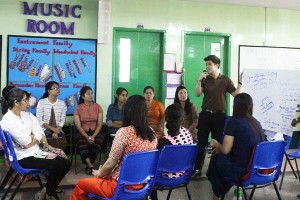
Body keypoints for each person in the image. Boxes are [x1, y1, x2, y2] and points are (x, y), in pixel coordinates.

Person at [70, 95, 157, 199]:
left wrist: (99, 173)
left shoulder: (124, 133)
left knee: (81, 184)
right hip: (143, 185)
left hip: (119, 187)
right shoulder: (152, 133)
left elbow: (110, 164)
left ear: (128, 111)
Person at [0, 88, 71, 200]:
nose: (29, 103)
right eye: (25, 100)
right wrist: (31, 139)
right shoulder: (7, 120)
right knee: (56, 166)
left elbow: (39, 132)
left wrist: (32, 139)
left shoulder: (27, 115)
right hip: (22, 157)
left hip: (36, 152)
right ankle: (48, 193)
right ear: (16, 103)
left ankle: (44, 191)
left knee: (66, 163)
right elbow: (24, 142)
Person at [206, 93, 264, 200]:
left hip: (241, 171)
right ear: (250, 106)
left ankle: (217, 195)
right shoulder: (257, 123)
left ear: (235, 106)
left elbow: (225, 150)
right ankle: (221, 191)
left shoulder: (234, 122)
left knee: (215, 158)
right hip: (255, 169)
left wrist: (215, 143)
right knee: (220, 159)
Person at [194, 55, 242, 176]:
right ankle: (197, 168)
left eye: (209, 64)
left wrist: (240, 82)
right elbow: (197, 94)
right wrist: (199, 80)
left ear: (217, 65)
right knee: (202, 142)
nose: (207, 66)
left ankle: (214, 168)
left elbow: (235, 93)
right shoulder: (205, 79)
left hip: (219, 116)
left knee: (216, 142)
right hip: (205, 114)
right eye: (206, 64)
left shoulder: (225, 80)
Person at [150, 103, 193, 200]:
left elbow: (155, 162)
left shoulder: (164, 142)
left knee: (148, 171)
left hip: (165, 179)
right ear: (182, 119)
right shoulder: (187, 133)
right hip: (184, 175)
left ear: (166, 120)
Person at [74, 86, 104, 175]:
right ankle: (90, 165)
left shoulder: (97, 106)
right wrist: (87, 137)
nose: (91, 96)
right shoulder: (78, 108)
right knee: (82, 142)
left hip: (95, 131)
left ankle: (89, 164)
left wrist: (93, 136)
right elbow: (78, 126)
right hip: (82, 132)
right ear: (82, 96)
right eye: (88, 94)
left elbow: (99, 124)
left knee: (99, 141)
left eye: (91, 93)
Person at [36, 81, 68, 151]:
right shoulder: (41, 102)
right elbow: (39, 120)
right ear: (49, 91)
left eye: (58, 88)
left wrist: (57, 131)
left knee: (62, 143)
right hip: (44, 130)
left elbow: (62, 120)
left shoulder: (62, 103)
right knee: (43, 145)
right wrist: (54, 130)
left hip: (58, 130)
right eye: (55, 88)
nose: (58, 89)